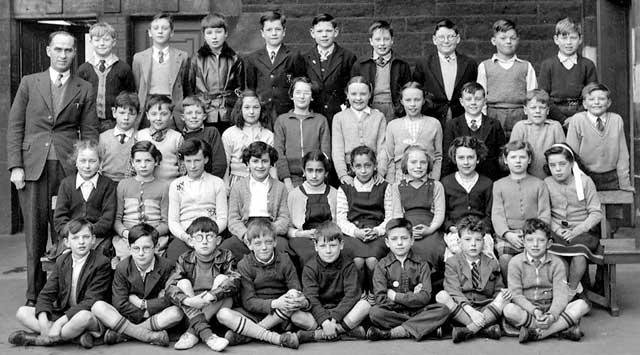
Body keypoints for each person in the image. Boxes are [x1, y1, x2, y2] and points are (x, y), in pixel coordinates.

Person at [7, 30, 98, 305]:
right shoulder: (29, 83)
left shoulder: (84, 87)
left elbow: (90, 131)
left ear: (74, 54)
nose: (63, 55)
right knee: (34, 233)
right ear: (48, 51)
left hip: (68, 169)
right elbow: (15, 127)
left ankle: (63, 293)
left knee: (66, 231)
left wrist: (87, 169)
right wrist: (15, 166)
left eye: (68, 50)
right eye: (58, 49)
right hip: (33, 167)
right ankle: (35, 295)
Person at [9, 218, 111, 348]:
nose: (81, 242)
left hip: (88, 314)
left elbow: (91, 301)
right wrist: (43, 322)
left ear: (93, 239)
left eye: (86, 237)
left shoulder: (101, 262)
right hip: (66, 313)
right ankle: (73, 337)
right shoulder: (62, 261)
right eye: (75, 238)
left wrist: (59, 323)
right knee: (22, 312)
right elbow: (46, 294)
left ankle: (37, 339)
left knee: (83, 317)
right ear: (67, 242)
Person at [216, 219, 303, 349]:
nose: (264, 247)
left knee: (294, 297)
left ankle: (248, 334)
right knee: (223, 314)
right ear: (249, 245)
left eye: (268, 242)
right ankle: (276, 338)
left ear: (275, 242)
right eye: (258, 243)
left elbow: (295, 286)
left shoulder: (284, 260)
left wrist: (290, 296)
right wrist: (274, 303)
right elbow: (248, 301)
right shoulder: (244, 265)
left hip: (278, 314)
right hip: (252, 312)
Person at [91, 223, 181, 346]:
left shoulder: (166, 266)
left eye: (146, 248)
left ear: (156, 247)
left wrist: (142, 303)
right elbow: (119, 302)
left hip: (155, 316)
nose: (141, 253)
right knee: (98, 307)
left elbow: (169, 298)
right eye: (136, 248)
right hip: (129, 316)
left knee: (176, 312)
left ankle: (123, 335)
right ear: (129, 248)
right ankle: (149, 336)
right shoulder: (122, 267)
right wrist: (143, 312)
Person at [503, 218, 590, 343]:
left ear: (549, 243)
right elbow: (516, 295)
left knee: (582, 305)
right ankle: (558, 329)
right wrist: (534, 310)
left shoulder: (557, 263)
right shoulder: (515, 263)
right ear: (523, 241)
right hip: (529, 310)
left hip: (551, 309)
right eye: (530, 240)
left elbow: (561, 295)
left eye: (541, 240)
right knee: (509, 310)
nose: (535, 245)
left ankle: (537, 332)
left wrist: (551, 315)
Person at [367, 218, 450, 341]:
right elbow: (380, 299)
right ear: (387, 242)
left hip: (419, 311)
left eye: (404, 238)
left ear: (412, 240)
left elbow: (425, 297)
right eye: (394, 239)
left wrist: (395, 296)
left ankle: (394, 332)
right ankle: (424, 328)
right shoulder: (381, 266)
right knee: (375, 313)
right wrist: (413, 297)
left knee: (443, 310)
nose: (399, 243)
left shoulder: (422, 264)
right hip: (393, 312)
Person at [165, 217, 240, 351]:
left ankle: (192, 333)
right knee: (182, 282)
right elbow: (170, 287)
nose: (204, 242)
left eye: (209, 237)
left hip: (216, 307)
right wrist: (189, 300)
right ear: (191, 241)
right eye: (199, 237)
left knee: (222, 279)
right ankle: (208, 336)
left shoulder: (226, 256)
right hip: (191, 309)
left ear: (218, 241)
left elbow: (235, 280)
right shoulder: (184, 259)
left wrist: (211, 295)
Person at [435, 215, 511, 343]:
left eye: (478, 240)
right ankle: (484, 330)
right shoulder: (452, 262)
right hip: (462, 309)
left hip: (485, 308)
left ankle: (469, 330)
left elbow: (497, 290)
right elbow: (453, 291)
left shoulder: (491, 263)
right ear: (459, 242)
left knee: (505, 296)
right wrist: (470, 311)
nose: (473, 244)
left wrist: (502, 294)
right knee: (442, 296)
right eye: (468, 239)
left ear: (484, 242)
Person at [337, 146, 396, 303]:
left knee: (371, 260)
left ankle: (372, 292)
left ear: (375, 165)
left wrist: (377, 231)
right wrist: (355, 232)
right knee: (357, 261)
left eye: (367, 165)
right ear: (352, 167)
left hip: (377, 231)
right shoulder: (345, 188)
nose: (363, 170)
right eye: (358, 166)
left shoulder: (384, 186)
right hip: (353, 232)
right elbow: (341, 219)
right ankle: (359, 293)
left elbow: (390, 216)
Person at [543, 144, 603, 300]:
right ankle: (560, 291)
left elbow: (596, 213)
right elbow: (544, 212)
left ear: (571, 163)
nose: (557, 169)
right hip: (557, 232)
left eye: (562, 164)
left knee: (579, 256)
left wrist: (576, 231)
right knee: (555, 257)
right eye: (552, 165)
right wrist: (557, 229)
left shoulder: (585, 182)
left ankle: (570, 292)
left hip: (582, 232)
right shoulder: (547, 183)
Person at [296, 221, 370, 343]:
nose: (328, 251)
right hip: (319, 312)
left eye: (333, 245)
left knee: (365, 306)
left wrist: (334, 319)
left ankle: (318, 335)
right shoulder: (310, 267)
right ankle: (345, 332)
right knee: (296, 315)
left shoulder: (348, 265)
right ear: (315, 246)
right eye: (323, 246)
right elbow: (311, 298)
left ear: (341, 245)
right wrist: (324, 321)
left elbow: (352, 294)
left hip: (343, 312)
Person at [221, 141, 290, 262]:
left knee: (283, 248)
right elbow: (232, 219)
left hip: (270, 228)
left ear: (271, 163)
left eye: (264, 161)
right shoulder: (238, 187)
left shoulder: (280, 187)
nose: (260, 166)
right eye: (255, 161)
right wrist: (245, 235)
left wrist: (270, 232)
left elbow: (284, 219)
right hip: (247, 228)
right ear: (248, 163)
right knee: (225, 248)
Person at [492, 140, 551, 280]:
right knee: (505, 258)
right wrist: (507, 234)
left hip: (534, 233)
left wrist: (532, 235)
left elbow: (544, 213)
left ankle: (533, 288)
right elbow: (497, 214)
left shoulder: (539, 184)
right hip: (509, 234)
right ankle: (512, 290)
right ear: (505, 160)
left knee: (536, 256)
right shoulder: (499, 185)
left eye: (522, 157)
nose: (518, 161)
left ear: (529, 159)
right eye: (513, 157)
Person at [166, 138, 228, 264]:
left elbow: (222, 218)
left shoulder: (217, 183)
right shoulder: (176, 185)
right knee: (173, 256)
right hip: (186, 235)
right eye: (188, 161)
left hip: (211, 233)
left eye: (197, 160)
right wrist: (185, 236)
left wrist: (210, 235)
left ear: (205, 159)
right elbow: (173, 220)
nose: (193, 166)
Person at [392, 145, 445, 286]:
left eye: (423, 162)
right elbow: (397, 214)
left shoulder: (436, 185)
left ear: (428, 165)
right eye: (413, 162)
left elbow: (439, 213)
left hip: (429, 227)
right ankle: (410, 284)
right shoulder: (397, 187)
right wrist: (407, 232)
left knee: (434, 248)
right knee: (407, 247)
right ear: (405, 164)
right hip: (406, 227)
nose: (418, 166)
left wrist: (430, 229)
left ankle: (431, 286)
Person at [53, 140, 117, 259]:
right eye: (82, 161)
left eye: (92, 161)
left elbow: (107, 219)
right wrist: (75, 235)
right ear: (75, 162)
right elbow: (59, 219)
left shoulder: (108, 185)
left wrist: (88, 234)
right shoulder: (66, 185)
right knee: (66, 259)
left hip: (98, 237)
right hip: (72, 236)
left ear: (100, 162)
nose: (87, 166)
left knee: (98, 259)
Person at [566, 83, 634, 192]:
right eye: (591, 99)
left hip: (612, 177)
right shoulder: (577, 120)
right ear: (584, 104)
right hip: (585, 177)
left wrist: (624, 181)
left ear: (608, 103)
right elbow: (571, 155)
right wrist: (575, 182)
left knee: (614, 208)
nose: (596, 102)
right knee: (589, 209)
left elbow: (623, 155)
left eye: (601, 99)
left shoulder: (616, 120)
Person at [477, 19, 537, 139]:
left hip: (519, 115)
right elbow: (480, 97)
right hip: (493, 114)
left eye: (512, 38)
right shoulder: (485, 66)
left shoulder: (526, 66)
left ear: (518, 40)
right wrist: (483, 119)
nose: (508, 41)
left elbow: (533, 96)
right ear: (494, 41)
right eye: (503, 38)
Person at [186, 12, 244, 134]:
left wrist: (234, 108)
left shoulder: (234, 59)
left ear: (226, 33)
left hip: (228, 111)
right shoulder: (196, 59)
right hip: (204, 111)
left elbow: (240, 88)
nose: (214, 37)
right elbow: (190, 89)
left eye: (218, 32)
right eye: (209, 33)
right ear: (204, 35)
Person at [413, 19, 478, 125]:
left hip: (461, 119)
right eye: (441, 37)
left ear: (458, 39)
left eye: (451, 37)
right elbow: (417, 90)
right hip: (431, 118)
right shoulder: (424, 63)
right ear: (434, 40)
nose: (446, 41)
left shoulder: (469, 64)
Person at [112, 141, 170, 261]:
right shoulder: (123, 185)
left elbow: (166, 222)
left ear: (156, 162)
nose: (143, 165)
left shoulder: (164, 187)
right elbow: (117, 219)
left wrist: (152, 235)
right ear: (132, 163)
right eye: (138, 161)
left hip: (154, 238)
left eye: (148, 160)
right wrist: (125, 233)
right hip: (127, 238)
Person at [441, 136, 494, 262]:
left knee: (486, 255)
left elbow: (489, 213)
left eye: (470, 157)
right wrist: (450, 227)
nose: (466, 162)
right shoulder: (446, 182)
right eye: (461, 158)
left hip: (481, 232)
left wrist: (482, 229)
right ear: (455, 159)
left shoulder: (486, 183)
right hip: (455, 231)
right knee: (455, 255)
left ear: (478, 159)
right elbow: (443, 213)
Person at [273, 76, 331, 191]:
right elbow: (279, 153)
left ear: (312, 97)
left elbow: (325, 153)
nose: (302, 96)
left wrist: (319, 178)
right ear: (291, 95)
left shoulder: (321, 120)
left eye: (306, 93)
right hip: (290, 179)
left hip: (315, 177)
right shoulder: (282, 120)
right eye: (298, 92)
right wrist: (287, 180)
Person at [245, 10, 305, 121]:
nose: (273, 33)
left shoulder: (294, 56)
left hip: (287, 112)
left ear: (284, 32)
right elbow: (251, 88)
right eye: (269, 30)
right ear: (262, 33)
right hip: (262, 113)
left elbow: (300, 84)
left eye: (277, 29)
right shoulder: (252, 58)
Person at [132, 13, 188, 129]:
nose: (160, 31)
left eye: (165, 28)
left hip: (172, 110)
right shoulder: (139, 58)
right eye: (156, 28)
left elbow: (185, 85)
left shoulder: (182, 57)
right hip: (148, 109)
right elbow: (138, 85)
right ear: (149, 33)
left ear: (172, 32)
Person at [78, 22, 136, 133]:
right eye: (97, 40)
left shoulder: (123, 68)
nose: (102, 43)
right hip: (89, 123)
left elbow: (131, 96)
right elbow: (78, 98)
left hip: (116, 123)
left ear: (113, 42)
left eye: (106, 39)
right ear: (91, 42)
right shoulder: (83, 69)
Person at [538, 17, 597, 126]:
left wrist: (576, 118)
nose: (568, 42)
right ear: (556, 39)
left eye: (573, 37)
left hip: (581, 116)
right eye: (564, 38)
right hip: (554, 117)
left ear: (580, 39)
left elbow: (591, 96)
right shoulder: (548, 65)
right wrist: (562, 119)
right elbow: (543, 96)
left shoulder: (587, 65)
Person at [442, 82, 506, 180]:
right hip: (460, 179)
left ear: (484, 101)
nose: (473, 102)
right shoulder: (453, 125)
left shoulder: (494, 124)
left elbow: (501, 155)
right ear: (461, 102)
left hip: (489, 178)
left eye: (478, 99)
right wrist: (446, 181)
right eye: (468, 99)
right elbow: (448, 158)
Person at [351, 20, 411, 122]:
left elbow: (407, 90)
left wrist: (400, 109)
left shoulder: (401, 64)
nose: (382, 43)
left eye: (386, 39)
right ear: (371, 41)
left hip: (394, 109)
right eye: (377, 39)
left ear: (392, 40)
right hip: (369, 107)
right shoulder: (361, 64)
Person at [302, 13, 357, 124]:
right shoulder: (304, 58)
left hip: (339, 114)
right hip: (313, 114)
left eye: (328, 31)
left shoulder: (348, 57)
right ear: (312, 33)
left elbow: (353, 87)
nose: (324, 35)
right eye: (319, 31)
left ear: (335, 32)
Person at [332, 76, 387, 185]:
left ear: (370, 94)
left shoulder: (378, 117)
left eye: (363, 94)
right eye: (353, 94)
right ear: (347, 94)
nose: (358, 98)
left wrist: (380, 172)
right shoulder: (339, 118)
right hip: (349, 171)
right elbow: (337, 150)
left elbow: (383, 148)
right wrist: (343, 175)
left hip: (373, 171)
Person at [385, 81, 442, 182]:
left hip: (427, 179)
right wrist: (391, 183)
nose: (412, 104)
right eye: (408, 100)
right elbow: (390, 158)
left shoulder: (434, 124)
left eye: (417, 100)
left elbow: (438, 157)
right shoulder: (392, 126)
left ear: (424, 100)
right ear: (402, 101)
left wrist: (434, 180)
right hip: (400, 180)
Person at [288, 151, 338, 264]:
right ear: (304, 171)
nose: (314, 175)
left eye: (319, 171)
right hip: (303, 238)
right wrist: (300, 234)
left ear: (326, 173)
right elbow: (287, 227)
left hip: (329, 238)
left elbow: (340, 223)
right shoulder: (294, 195)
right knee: (309, 256)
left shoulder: (335, 194)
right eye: (310, 170)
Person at [221, 89, 275, 188]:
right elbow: (225, 162)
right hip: (237, 181)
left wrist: (274, 188)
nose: (251, 112)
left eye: (256, 107)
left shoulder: (268, 135)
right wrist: (225, 185)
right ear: (240, 109)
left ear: (261, 109)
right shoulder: (229, 134)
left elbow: (272, 166)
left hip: (262, 182)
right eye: (247, 107)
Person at [509, 89, 565, 179]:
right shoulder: (520, 127)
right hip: (525, 178)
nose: (538, 111)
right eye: (533, 108)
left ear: (547, 110)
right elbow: (513, 156)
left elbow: (563, 155)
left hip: (551, 178)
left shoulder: (555, 127)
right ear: (525, 110)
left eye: (542, 108)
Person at [136, 94, 184, 182]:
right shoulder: (140, 136)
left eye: (164, 114)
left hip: (170, 186)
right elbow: (131, 167)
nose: (158, 118)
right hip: (145, 187)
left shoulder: (177, 138)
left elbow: (183, 169)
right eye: (154, 114)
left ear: (171, 115)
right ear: (147, 115)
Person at [181, 95, 227, 178]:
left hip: (210, 182)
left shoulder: (211, 132)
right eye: (189, 113)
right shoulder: (179, 136)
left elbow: (220, 163)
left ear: (204, 116)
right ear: (183, 117)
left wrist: (211, 182)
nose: (194, 116)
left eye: (198, 113)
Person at [99, 91, 140, 182]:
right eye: (122, 113)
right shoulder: (103, 138)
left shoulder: (140, 138)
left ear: (137, 115)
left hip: (131, 183)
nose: (126, 117)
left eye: (131, 114)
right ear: (114, 112)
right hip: (106, 183)